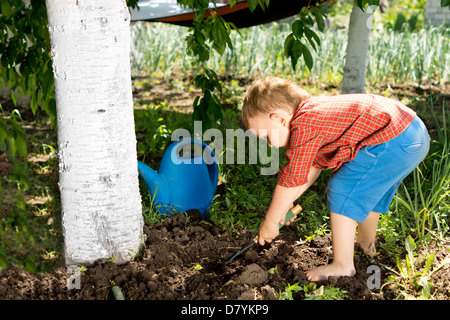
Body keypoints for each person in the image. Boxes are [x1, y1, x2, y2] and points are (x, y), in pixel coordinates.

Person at [241, 76, 430, 281]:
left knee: (342, 187)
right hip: (410, 133)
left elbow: (292, 176)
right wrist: (285, 205)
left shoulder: (305, 123)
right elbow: (310, 169)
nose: (269, 144)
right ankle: (366, 243)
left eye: (266, 136)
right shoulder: (313, 115)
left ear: (278, 118)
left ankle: (342, 265)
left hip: (392, 136)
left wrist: (270, 220)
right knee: (368, 189)